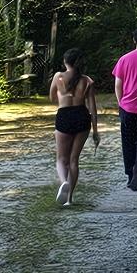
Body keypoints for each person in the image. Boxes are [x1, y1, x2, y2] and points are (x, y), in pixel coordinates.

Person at [49, 49, 97, 207]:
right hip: (82, 117)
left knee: (61, 159)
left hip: (64, 116)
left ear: (65, 62)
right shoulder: (87, 81)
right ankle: (69, 199)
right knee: (74, 160)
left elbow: (51, 97)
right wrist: (95, 131)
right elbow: (92, 108)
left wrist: (61, 94)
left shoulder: (58, 76)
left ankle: (64, 182)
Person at [111, 26, 137, 192]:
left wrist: (121, 102)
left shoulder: (124, 59)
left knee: (128, 141)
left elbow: (118, 85)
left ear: (134, 39)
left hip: (128, 107)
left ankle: (130, 174)